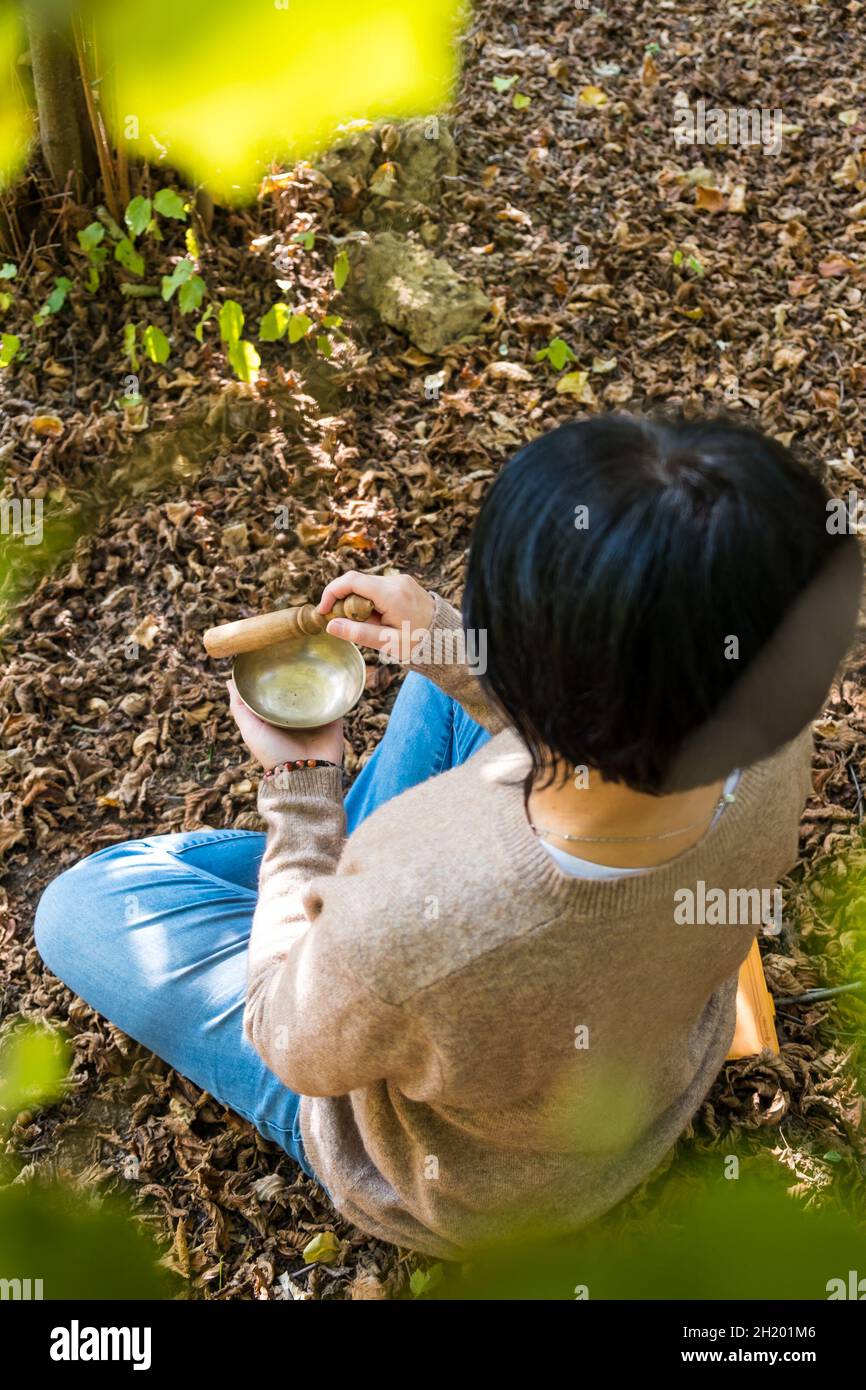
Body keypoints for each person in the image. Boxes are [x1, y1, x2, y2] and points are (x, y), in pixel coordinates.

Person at [35, 415, 861, 1259]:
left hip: (457, 1184)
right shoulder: (772, 735)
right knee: (435, 693)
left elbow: (289, 1044)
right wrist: (454, 646)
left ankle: (302, 896)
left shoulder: (423, 888)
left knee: (78, 907)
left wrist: (301, 790)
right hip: (646, 1072)